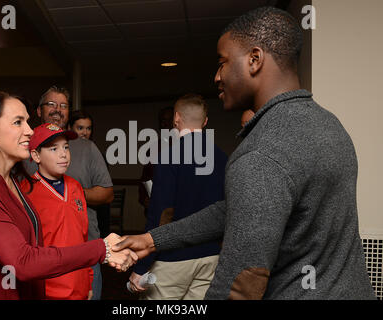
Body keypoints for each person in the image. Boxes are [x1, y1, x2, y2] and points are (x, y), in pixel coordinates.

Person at [113, 6, 376, 300]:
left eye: (223, 62)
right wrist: (153, 239)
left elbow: (241, 282)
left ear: (254, 60)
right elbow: (240, 209)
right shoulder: (328, 124)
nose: (216, 76)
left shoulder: (260, 153)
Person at [0, 90, 136, 300]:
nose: (29, 131)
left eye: (27, 121)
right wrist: (103, 249)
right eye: (18, 122)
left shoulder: (13, 183)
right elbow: (23, 261)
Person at [128, 94, 227, 299]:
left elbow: (161, 214)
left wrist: (142, 265)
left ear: (176, 118)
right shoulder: (223, 158)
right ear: (205, 121)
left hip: (172, 259)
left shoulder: (168, 156)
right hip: (211, 256)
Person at [25, 86, 114, 300]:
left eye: (64, 105)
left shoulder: (79, 171)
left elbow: (105, 195)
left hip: (84, 259)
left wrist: (68, 195)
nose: (63, 155)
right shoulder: (22, 150)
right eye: (52, 104)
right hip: (46, 268)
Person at [19, 123, 93, 300]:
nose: (63, 154)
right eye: (54, 149)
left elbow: (83, 238)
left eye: (66, 147)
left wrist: (88, 282)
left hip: (79, 286)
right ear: (36, 155)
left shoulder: (75, 187)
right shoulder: (26, 192)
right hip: (48, 290)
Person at [69, 110, 111, 238]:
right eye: (80, 128)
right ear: (69, 128)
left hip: (93, 218)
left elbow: (106, 194)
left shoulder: (93, 151)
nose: (85, 132)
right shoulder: (62, 153)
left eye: (88, 128)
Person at [138, 106, 174, 217]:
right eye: (162, 121)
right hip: (155, 207)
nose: (165, 124)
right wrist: (144, 198)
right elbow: (145, 177)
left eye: (168, 121)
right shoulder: (154, 148)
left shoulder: (185, 147)